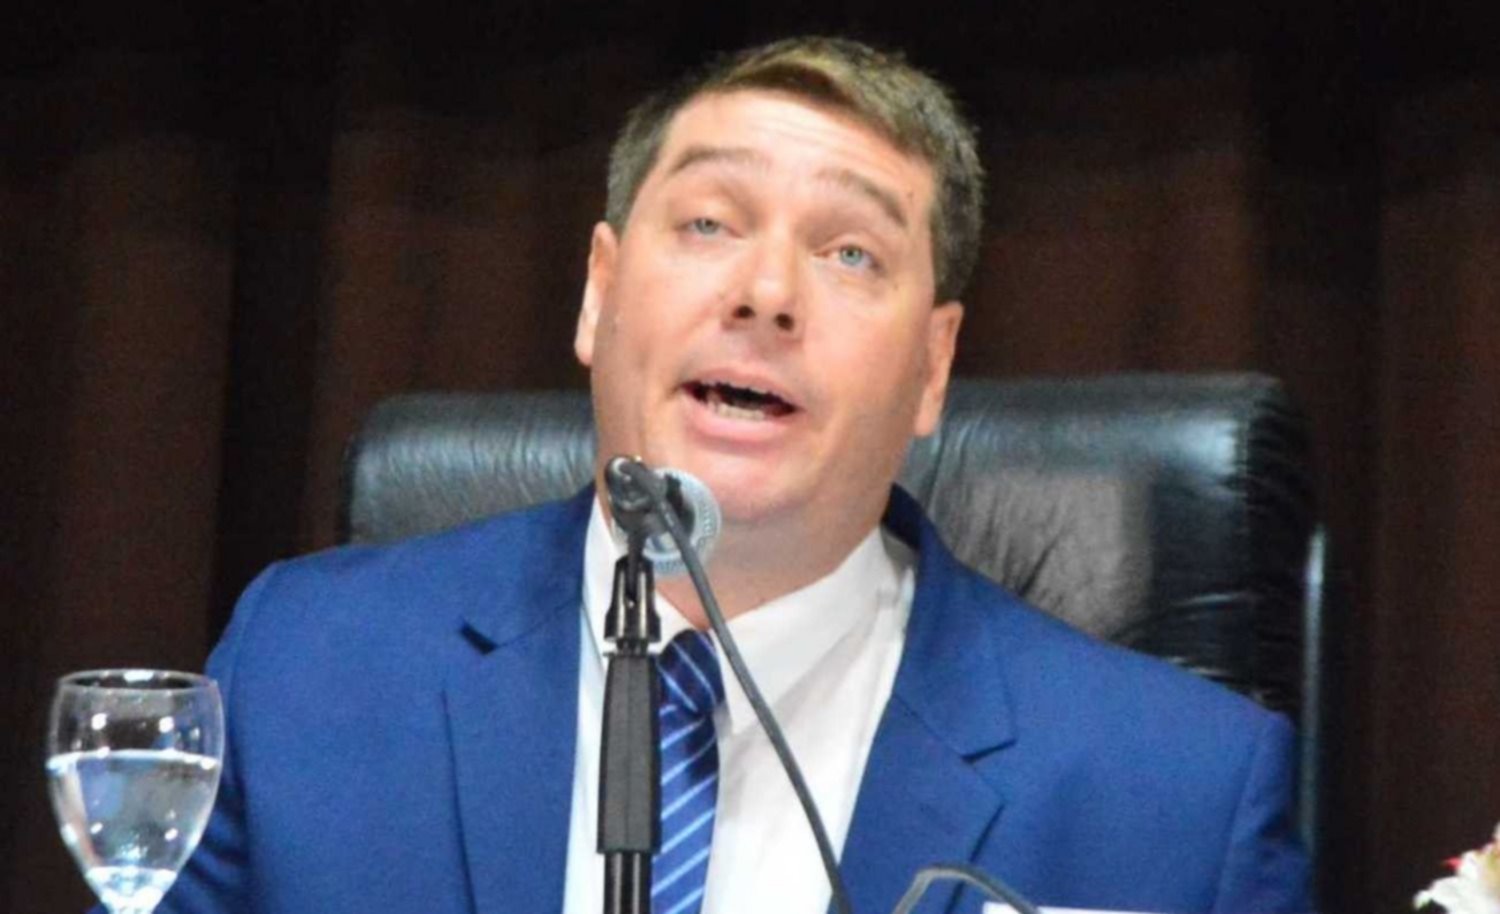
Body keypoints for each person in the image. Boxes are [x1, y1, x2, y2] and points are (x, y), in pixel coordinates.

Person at [155, 36, 1311, 914]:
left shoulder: (1179, 792)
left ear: (933, 366)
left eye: (850, 251)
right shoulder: (307, 667)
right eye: (710, 223)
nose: (766, 293)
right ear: (599, 295)